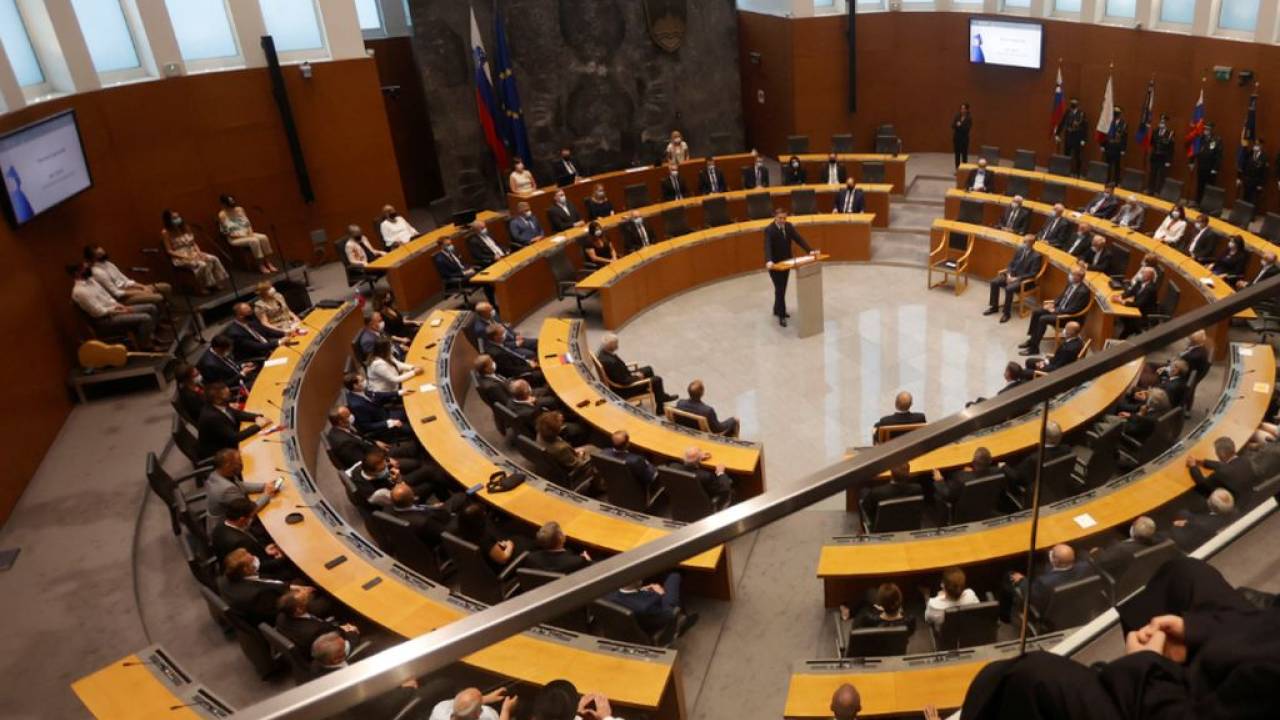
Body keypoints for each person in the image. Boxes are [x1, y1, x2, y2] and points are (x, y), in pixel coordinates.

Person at [962, 556, 1280, 720]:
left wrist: (1146, 664)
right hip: (1255, 646)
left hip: (1194, 704)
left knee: (1028, 674)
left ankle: (1121, 686)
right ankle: (1125, 672)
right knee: (1184, 573)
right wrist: (1196, 628)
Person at [71, 263, 159, 350]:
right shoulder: (80, 291)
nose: (87, 267)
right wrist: (118, 311)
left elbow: (108, 298)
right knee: (145, 318)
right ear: (76, 273)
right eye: (83, 267)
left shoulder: (92, 281)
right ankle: (146, 347)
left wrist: (119, 306)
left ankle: (149, 338)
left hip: (114, 311)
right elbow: (98, 312)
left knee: (151, 308)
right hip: (104, 320)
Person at [999, 543, 1090, 621]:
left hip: (1051, 614)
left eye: (1052, 553)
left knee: (1009, 575)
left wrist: (1022, 580)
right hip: (1077, 605)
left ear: (1055, 560)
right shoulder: (1085, 567)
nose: (1050, 552)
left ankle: (1004, 616)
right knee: (1039, 567)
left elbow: (1030, 594)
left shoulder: (1043, 582)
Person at [764, 208, 817, 326]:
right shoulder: (770, 230)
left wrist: (810, 250)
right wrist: (769, 260)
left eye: (784, 218)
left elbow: (799, 239)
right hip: (775, 265)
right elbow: (767, 246)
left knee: (781, 288)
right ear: (775, 217)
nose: (782, 220)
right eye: (780, 218)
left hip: (787, 263)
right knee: (780, 288)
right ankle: (781, 315)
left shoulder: (788, 226)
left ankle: (776, 309)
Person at [275, 587, 359, 661]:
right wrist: (351, 632)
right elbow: (334, 645)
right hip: (330, 652)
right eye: (304, 599)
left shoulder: (281, 617)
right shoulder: (315, 631)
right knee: (359, 625)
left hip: (310, 643)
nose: (307, 597)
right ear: (298, 610)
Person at [597, 332, 676, 411]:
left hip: (624, 376)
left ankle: (660, 396)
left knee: (648, 369)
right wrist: (637, 376)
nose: (618, 345)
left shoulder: (602, 353)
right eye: (616, 343)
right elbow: (624, 381)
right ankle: (660, 408)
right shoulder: (611, 362)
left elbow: (620, 375)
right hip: (625, 390)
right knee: (657, 379)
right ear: (611, 345)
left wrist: (634, 374)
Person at [605, 574, 697, 641]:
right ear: (639, 580)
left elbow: (628, 596)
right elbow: (668, 615)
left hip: (623, 625)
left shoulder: (607, 593)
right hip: (652, 622)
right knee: (674, 576)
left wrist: (640, 590)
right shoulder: (647, 606)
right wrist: (662, 594)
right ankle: (683, 622)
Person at [211, 497, 289, 576]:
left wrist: (264, 549)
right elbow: (256, 567)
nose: (252, 519)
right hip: (259, 573)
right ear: (242, 519)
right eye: (251, 516)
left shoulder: (221, 524)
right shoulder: (240, 542)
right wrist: (282, 558)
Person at [203, 448, 277, 531]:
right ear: (228, 466)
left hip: (234, 518)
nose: (241, 463)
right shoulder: (227, 490)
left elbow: (240, 485)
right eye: (239, 462)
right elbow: (249, 510)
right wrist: (267, 495)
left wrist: (264, 486)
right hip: (228, 530)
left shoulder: (218, 473)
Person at [1020, 265, 1089, 353]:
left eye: (1072, 274)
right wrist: (1053, 304)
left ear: (1079, 277)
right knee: (1036, 312)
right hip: (1059, 309)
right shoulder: (1071, 283)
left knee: (1043, 319)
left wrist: (1056, 311)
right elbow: (1061, 297)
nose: (1070, 275)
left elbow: (1073, 309)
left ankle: (1034, 348)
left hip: (1067, 317)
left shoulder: (1083, 292)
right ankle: (1032, 339)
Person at [197, 382, 272, 459]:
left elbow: (237, 413)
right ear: (217, 400)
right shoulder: (212, 417)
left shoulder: (218, 404)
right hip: (222, 452)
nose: (230, 396)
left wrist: (257, 417)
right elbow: (234, 438)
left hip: (230, 438)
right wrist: (258, 426)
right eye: (227, 395)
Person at [218, 548, 291, 626]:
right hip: (278, 612)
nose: (255, 559)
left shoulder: (224, 578)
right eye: (252, 560)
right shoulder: (257, 596)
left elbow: (260, 574)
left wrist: (280, 559)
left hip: (271, 588)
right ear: (246, 570)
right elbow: (281, 609)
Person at [161, 209, 227, 293]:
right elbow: (169, 251)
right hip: (180, 257)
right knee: (201, 264)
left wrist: (199, 253)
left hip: (193, 252)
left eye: (178, 217)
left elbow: (193, 243)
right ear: (168, 220)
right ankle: (201, 287)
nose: (177, 219)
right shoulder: (165, 232)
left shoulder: (185, 227)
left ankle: (214, 283)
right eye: (174, 218)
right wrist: (187, 257)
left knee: (213, 259)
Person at [1000, 421, 1071, 500]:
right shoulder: (1067, 449)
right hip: (1059, 484)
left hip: (1037, 493)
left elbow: (1017, 478)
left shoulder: (1034, 459)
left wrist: (1003, 466)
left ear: (1043, 437)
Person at [84, 245, 170, 308]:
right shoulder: (97, 272)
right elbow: (116, 293)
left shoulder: (108, 263)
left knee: (165, 287)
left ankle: (163, 318)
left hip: (131, 289)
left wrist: (143, 287)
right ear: (93, 258)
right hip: (123, 298)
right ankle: (159, 322)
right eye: (100, 253)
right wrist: (140, 292)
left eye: (103, 251)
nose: (104, 253)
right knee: (158, 297)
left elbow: (126, 281)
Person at [984, 233, 1042, 322]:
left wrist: (1016, 279)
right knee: (994, 282)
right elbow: (1011, 264)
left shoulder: (1036, 256)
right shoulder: (1020, 250)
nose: (1023, 243)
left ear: (1031, 243)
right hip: (1011, 275)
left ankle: (1006, 313)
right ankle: (994, 307)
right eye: (1023, 241)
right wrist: (1009, 275)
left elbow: (1033, 273)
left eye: (1025, 242)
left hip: (1023, 280)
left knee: (1009, 288)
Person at [456, 501, 527, 573]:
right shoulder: (484, 539)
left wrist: (497, 546)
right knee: (525, 541)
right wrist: (510, 544)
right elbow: (504, 558)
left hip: (483, 566)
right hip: (499, 568)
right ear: (478, 521)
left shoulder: (464, 532)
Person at [217, 194, 276, 274]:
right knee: (254, 241)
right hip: (235, 238)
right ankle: (260, 265)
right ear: (224, 204)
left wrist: (250, 232)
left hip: (247, 233)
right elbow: (226, 232)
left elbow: (248, 223)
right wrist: (241, 235)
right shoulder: (222, 215)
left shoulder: (240, 209)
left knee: (263, 237)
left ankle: (268, 262)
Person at [1089, 515, 1162, 579]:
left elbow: (1102, 561)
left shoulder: (1121, 550)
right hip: (1140, 574)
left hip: (1118, 577)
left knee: (1084, 554)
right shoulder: (1158, 541)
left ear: (1132, 530)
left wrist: (1096, 552)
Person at [1187, 436, 1257, 503]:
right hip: (1250, 496)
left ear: (1222, 454)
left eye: (1216, 451)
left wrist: (1193, 467)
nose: (1216, 453)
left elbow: (1203, 485)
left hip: (1236, 504)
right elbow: (1224, 465)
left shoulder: (1221, 473)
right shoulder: (1245, 460)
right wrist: (1203, 462)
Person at [536, 411, 596, 487]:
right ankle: (597, 485)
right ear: (557, 430)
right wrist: (581, 455)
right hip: (575, 467)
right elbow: (577, 465)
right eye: (561, 424)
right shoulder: (561, 449)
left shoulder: (540, 435)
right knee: (594, 450)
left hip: (560, 459)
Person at [387, 482, 453, 546]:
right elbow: (444, 533)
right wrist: (438, 510)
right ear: (414, 498)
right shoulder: (423, 522)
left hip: (429, 512)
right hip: (443, 523)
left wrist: (432, 507)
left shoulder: (388, 509)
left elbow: (415, 507)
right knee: (458, 499)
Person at [1170, 488, 1237, 550]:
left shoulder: (1199, 523)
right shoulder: (1235, 513)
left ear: (1210, 503)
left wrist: (1186, 523)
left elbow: (1178, 533)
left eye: (1210, 498)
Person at [931, 446, 994, 511]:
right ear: (991, 461)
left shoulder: (961, 477)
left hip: (964, 512)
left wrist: (939, 480)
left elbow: (948, 494)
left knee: (937, 494)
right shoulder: (997, 472)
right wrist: (972, 472)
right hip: (987, 508)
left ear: (973, 462)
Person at [668, 446, 733, 507]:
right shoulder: (706, 476)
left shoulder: (672, 467)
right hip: (702, 505)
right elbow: (724, 489)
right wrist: (720, 473)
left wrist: (697, 458)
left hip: (680, 499)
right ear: (698, 460)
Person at [525, 521, 592, 574]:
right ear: (561, 538)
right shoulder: (577, 562)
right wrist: (588, 561)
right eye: (562, 532)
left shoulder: (531, 558)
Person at [1111, 266, 1159, 338]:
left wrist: (1121, 301)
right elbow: (1131, 292)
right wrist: (1120, 296)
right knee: (1122, 317)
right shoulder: (1140, 282)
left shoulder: (1150, 289)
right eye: (1142, 273)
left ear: (1149, 277)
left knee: (1129, 324)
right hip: (1137, 310)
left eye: (1144, 273)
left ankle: (1121, 340)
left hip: (1143, 314)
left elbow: (1138, 304)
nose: (1142, 275)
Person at [428, 687, 510, 720]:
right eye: (480, 708)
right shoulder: (490, 716)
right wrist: (506, 710)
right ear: (476, 716)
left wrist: (484, 699)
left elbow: (461, 704)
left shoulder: (440, 709)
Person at [1055, 97, 1088, 176]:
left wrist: (1083, 139)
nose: (1073, 104)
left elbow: (1085, 127)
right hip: (1068, 136)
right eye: (1072, 103)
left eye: (1074, 103)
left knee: (1077, 156)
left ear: (1077, 104)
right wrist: (1057, 134)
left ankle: (1077, 174)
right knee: (1066, 155)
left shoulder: (1081, 114)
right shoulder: (1067, 112)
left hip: (1077, 137)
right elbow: (1062, 123)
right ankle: (1065, 171)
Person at [1194, 121, 1223, 203]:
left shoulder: (1217, 140)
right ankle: (1198, 202)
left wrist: (1215, 169)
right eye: (1205, 129)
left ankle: (1206, 204)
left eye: (1207, 129)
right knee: (1200, 186)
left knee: (1209, 188)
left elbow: (1218, 156)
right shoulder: (1202, 138)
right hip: (1201, 167)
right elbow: (1199, 151)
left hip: (1210, 169)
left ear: (1211, 130)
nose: (1205, 130)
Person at [1238, 138, 1270, 211]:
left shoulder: (1264, 157)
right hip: (1247, 181)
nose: (1256, 146)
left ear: (1261, 146)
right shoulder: (1250, 154)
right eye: (1255, 144)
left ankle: (1251, 215)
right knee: (1245, 198)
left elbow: (1264, 172)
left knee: (1253, 200)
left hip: (1256, 183)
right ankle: (1243, 213)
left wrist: (1261, 184)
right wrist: (1240, 178)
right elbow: (1244, 166)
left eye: (1258, 145)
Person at [1148, 113, 1176, 193]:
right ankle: (1151, 190)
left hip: (1163, 158)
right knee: (1152, 174)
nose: (1161, 123)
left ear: (1166, 123)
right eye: (1161, 121)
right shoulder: (1155, 131)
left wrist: (1168, 161)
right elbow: (1152, 143)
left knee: (1161, 176)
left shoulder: (1170, 134)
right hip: (1155, 156)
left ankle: (1158, 191)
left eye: (1163, 122)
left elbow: (1171, 149)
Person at [1102, 105, 1128, 184]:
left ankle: (1116, 182)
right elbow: (1105, 134)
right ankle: (1106, 180)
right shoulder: (1109, 122)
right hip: (1109, 146)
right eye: (1114, 112)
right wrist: (1103, 145)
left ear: (1120, 114)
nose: (1115, 114)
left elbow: (1125, 138)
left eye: (1117, 113)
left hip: (1117, 148)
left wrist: (1123, 149)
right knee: (1107, 165)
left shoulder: (1124, 124)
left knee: (1117, 166)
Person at [952, 102, 972, 168]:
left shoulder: (969, 118)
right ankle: (957, 169)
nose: (962, 110)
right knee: (957, 155)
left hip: (964, 139)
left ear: (967, 110)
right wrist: (958, 126)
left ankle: (964, 169)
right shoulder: (957, 116)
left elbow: (967, 129)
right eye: (961, 108)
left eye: (963, 108)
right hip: (957, 138)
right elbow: (952, 125)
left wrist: (959, 126)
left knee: (964, 155)